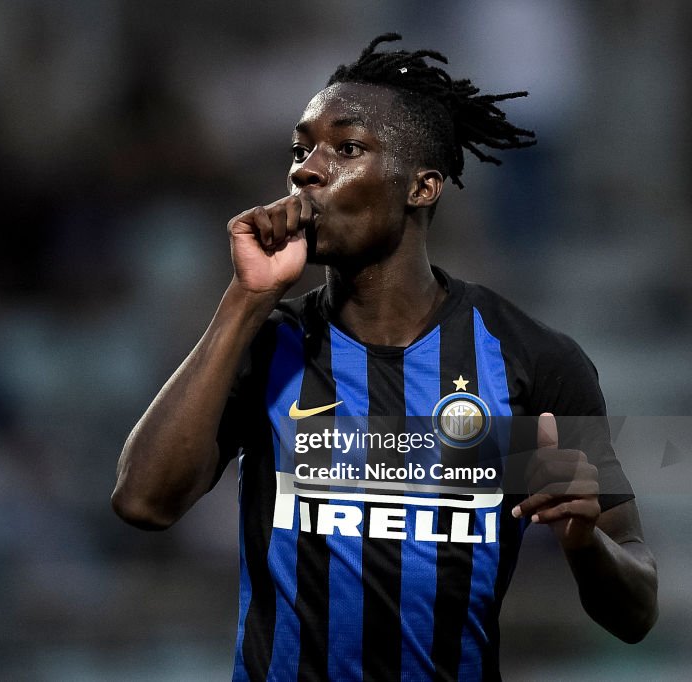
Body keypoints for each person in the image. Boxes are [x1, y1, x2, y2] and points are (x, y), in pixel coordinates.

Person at [111, 33, 657, 680]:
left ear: (422, 188)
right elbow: (144, 503)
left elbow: (636, 610)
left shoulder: (533, 362)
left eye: (346, 148)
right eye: (300, 148)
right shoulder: (267, 346)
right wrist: (245, 299)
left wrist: (584, 543)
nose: (305, 170)